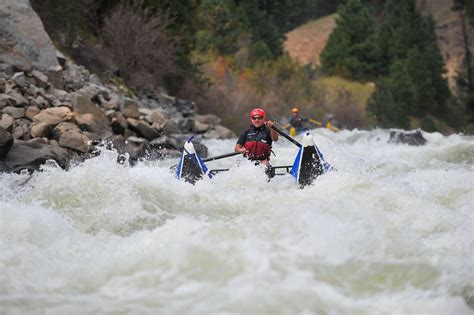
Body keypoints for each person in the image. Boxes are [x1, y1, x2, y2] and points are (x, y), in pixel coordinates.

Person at [235, 107, 279, 177]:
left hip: (263, 160)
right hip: (248, 161)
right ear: (251, 119)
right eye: (254, 118)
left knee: (268, 169)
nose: (256, 120)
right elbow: (236, 148)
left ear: (264, 119)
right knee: (239, 168)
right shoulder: (246, 132)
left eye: (259, 118)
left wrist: (272, 128)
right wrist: (241, 150)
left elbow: (275, 138)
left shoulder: (268, 131)